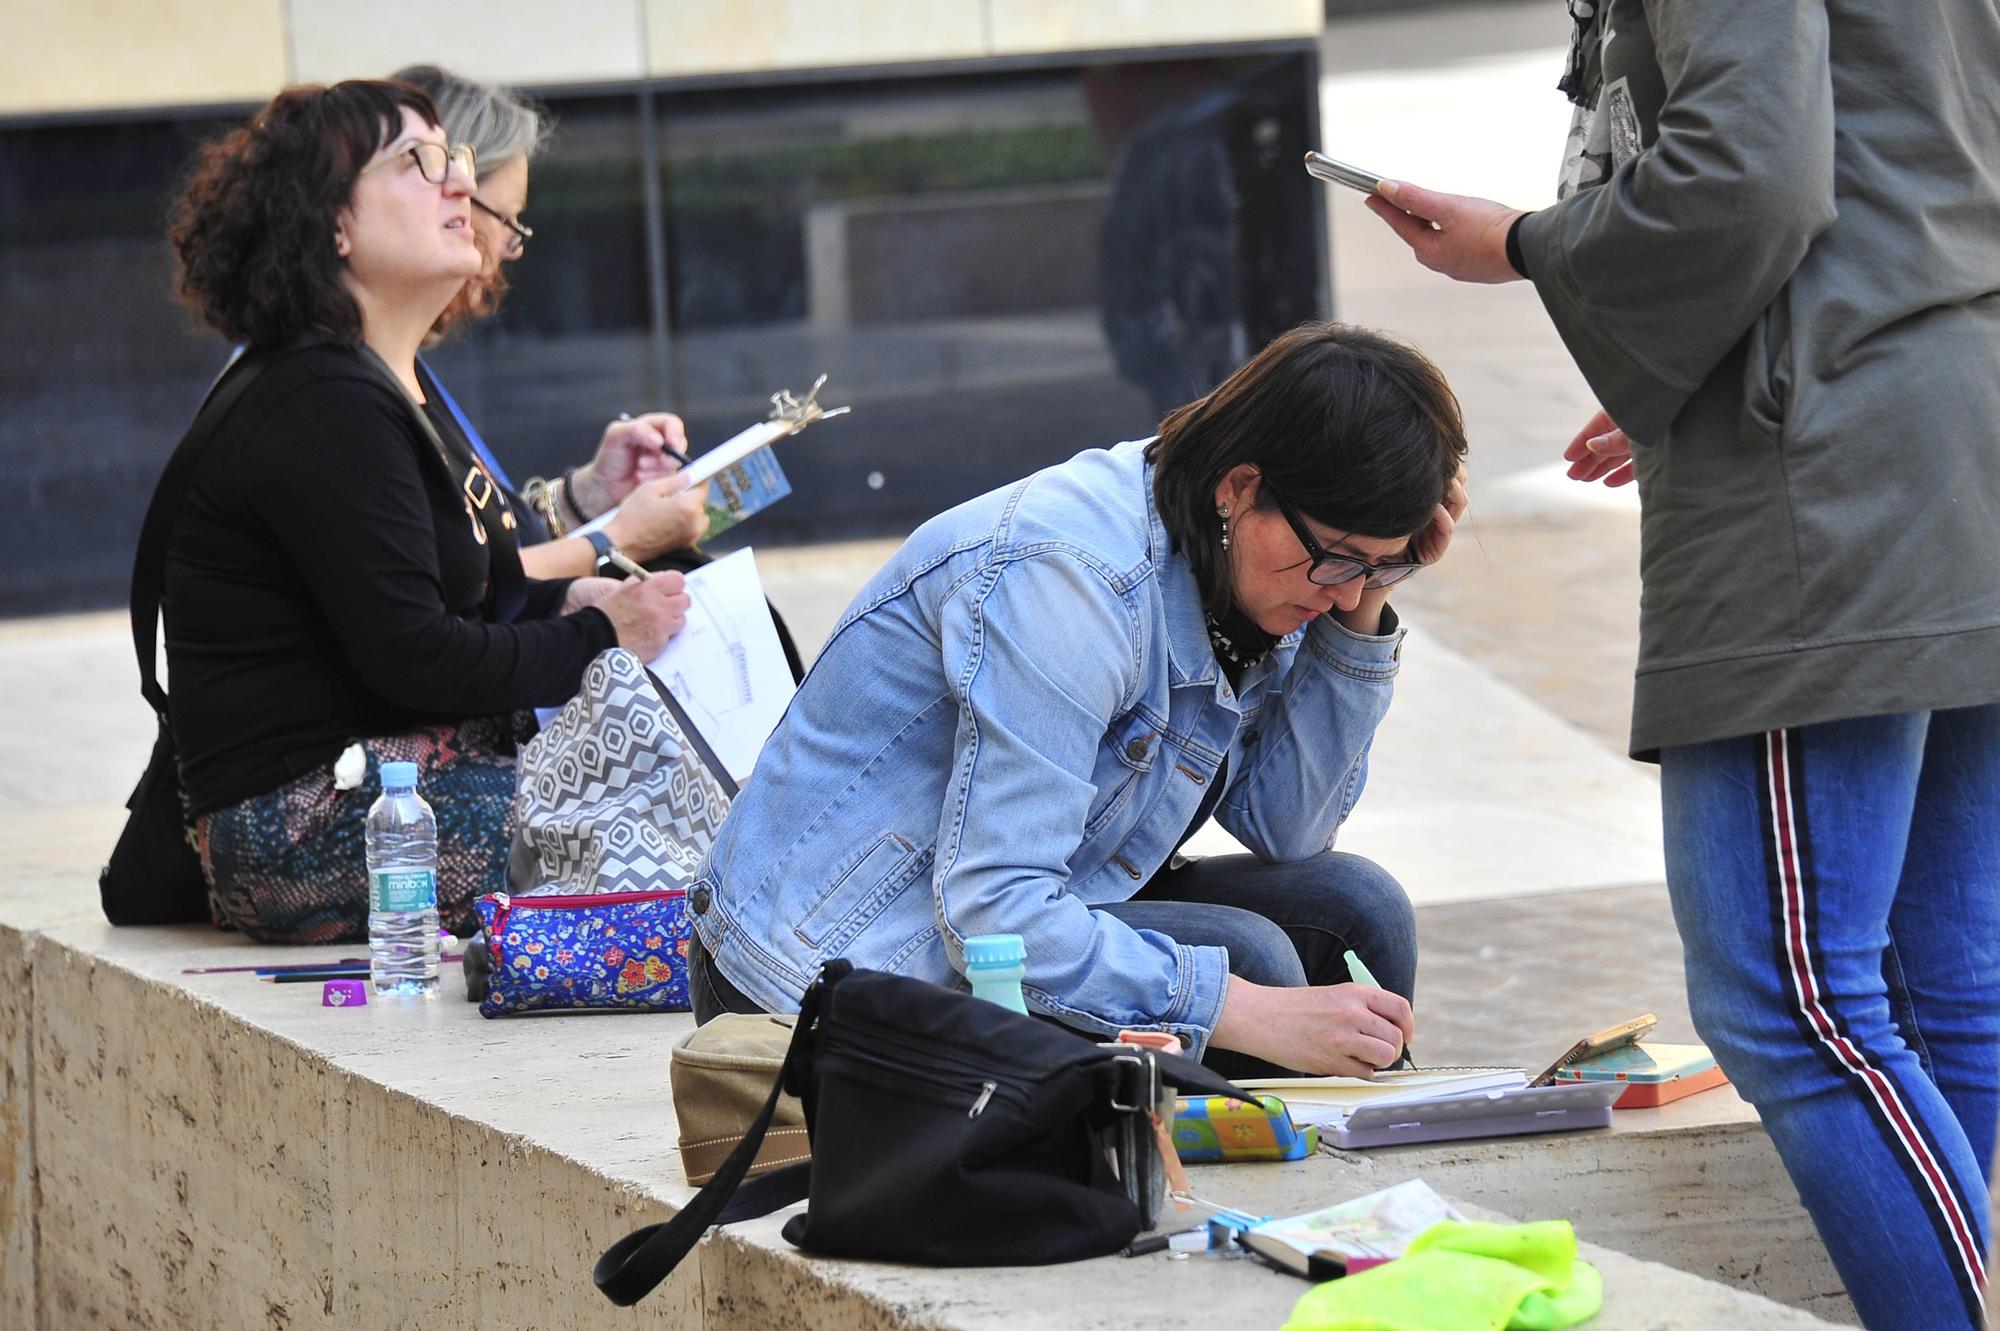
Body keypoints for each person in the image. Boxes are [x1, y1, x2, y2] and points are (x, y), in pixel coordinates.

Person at [1360, 4, 2000, 1326]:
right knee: (1949, 982)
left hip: (1826, 471)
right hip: (1949, 419)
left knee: (1792, 998)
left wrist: (1522, 246)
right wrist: (1714, 345)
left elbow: (1749, 175)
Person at [688, 322, 1469, 1078]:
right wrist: (1245, 1008)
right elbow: (994, 909)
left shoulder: (1269, 556)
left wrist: (1366, 606)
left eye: (1384, 565)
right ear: (1241, 489)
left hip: (1030, 896)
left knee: (1359, 906)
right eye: (1340, 561)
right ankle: (1223, 1205)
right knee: (1250, 961)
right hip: (822, 971)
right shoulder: (1070, 581)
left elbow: (1289, 825)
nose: (1346, 594)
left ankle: (1347, 1189)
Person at [162, 80, 690, 943]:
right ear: (332, 223)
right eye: (417, 163)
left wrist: (571, 599)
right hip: (299, 824)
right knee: (657, 815)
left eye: (453, 161)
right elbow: (414, 655)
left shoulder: (369, 382)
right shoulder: (323, 397)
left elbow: (457, 585)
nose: (457, 186)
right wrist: (602, 636)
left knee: (682, 761)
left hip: (371, 781)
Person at [387, 64, 710, 586]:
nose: (500, 254)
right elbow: (457, 598)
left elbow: (477, 554)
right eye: (507, 221)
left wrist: (585, 498)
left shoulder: (395, 365)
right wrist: (620, 537)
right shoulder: (336, 384)